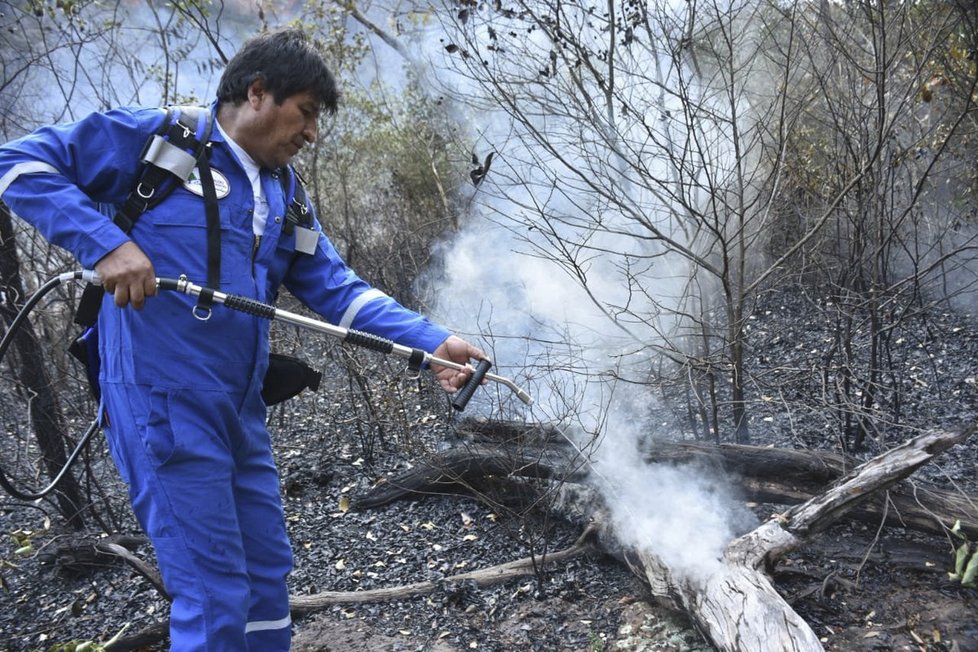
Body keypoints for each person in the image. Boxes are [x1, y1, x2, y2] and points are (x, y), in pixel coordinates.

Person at [0, 27, 484, 650]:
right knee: (212, 586)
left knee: (264, 575)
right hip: (161, 403)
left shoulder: (282, 193)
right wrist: (109, 245)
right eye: (306, 113)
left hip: (240, 406)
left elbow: (335, 286)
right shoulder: (162, 141)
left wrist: (432, 341)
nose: (311, 134)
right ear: (258, 92)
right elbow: (18, 162)